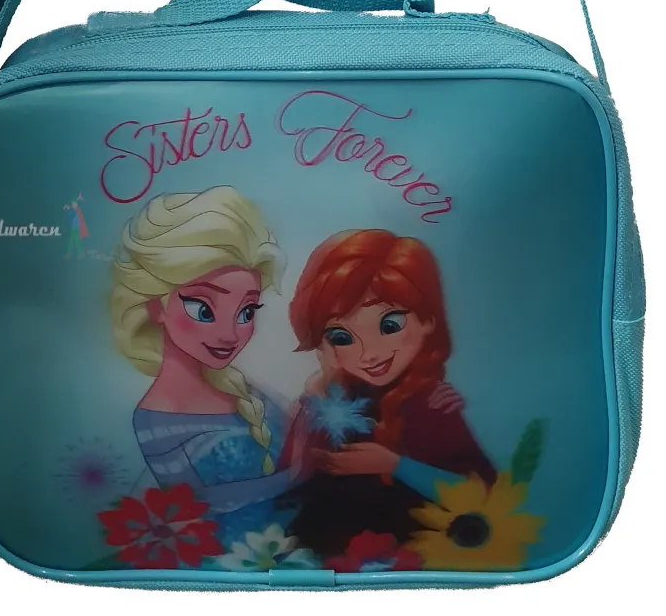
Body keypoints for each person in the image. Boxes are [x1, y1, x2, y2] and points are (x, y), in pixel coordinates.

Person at [109, 187, 311, 547]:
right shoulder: (158, 415)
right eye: (203, 309)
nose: (229, 334)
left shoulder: (245, 390)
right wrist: (294, 475)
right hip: (229, 561)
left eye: (246, 312)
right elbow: (195, 505)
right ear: (155, 305)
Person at [282, 228, 494, 556]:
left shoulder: (430, 403)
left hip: (407, 553)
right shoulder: (330, 398)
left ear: (428, 320)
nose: (369, 354)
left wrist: (395, 465)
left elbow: (482, 494)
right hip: (325, 552)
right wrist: (316, 395)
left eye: (389, 326)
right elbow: (290, 482)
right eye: (341, 337)